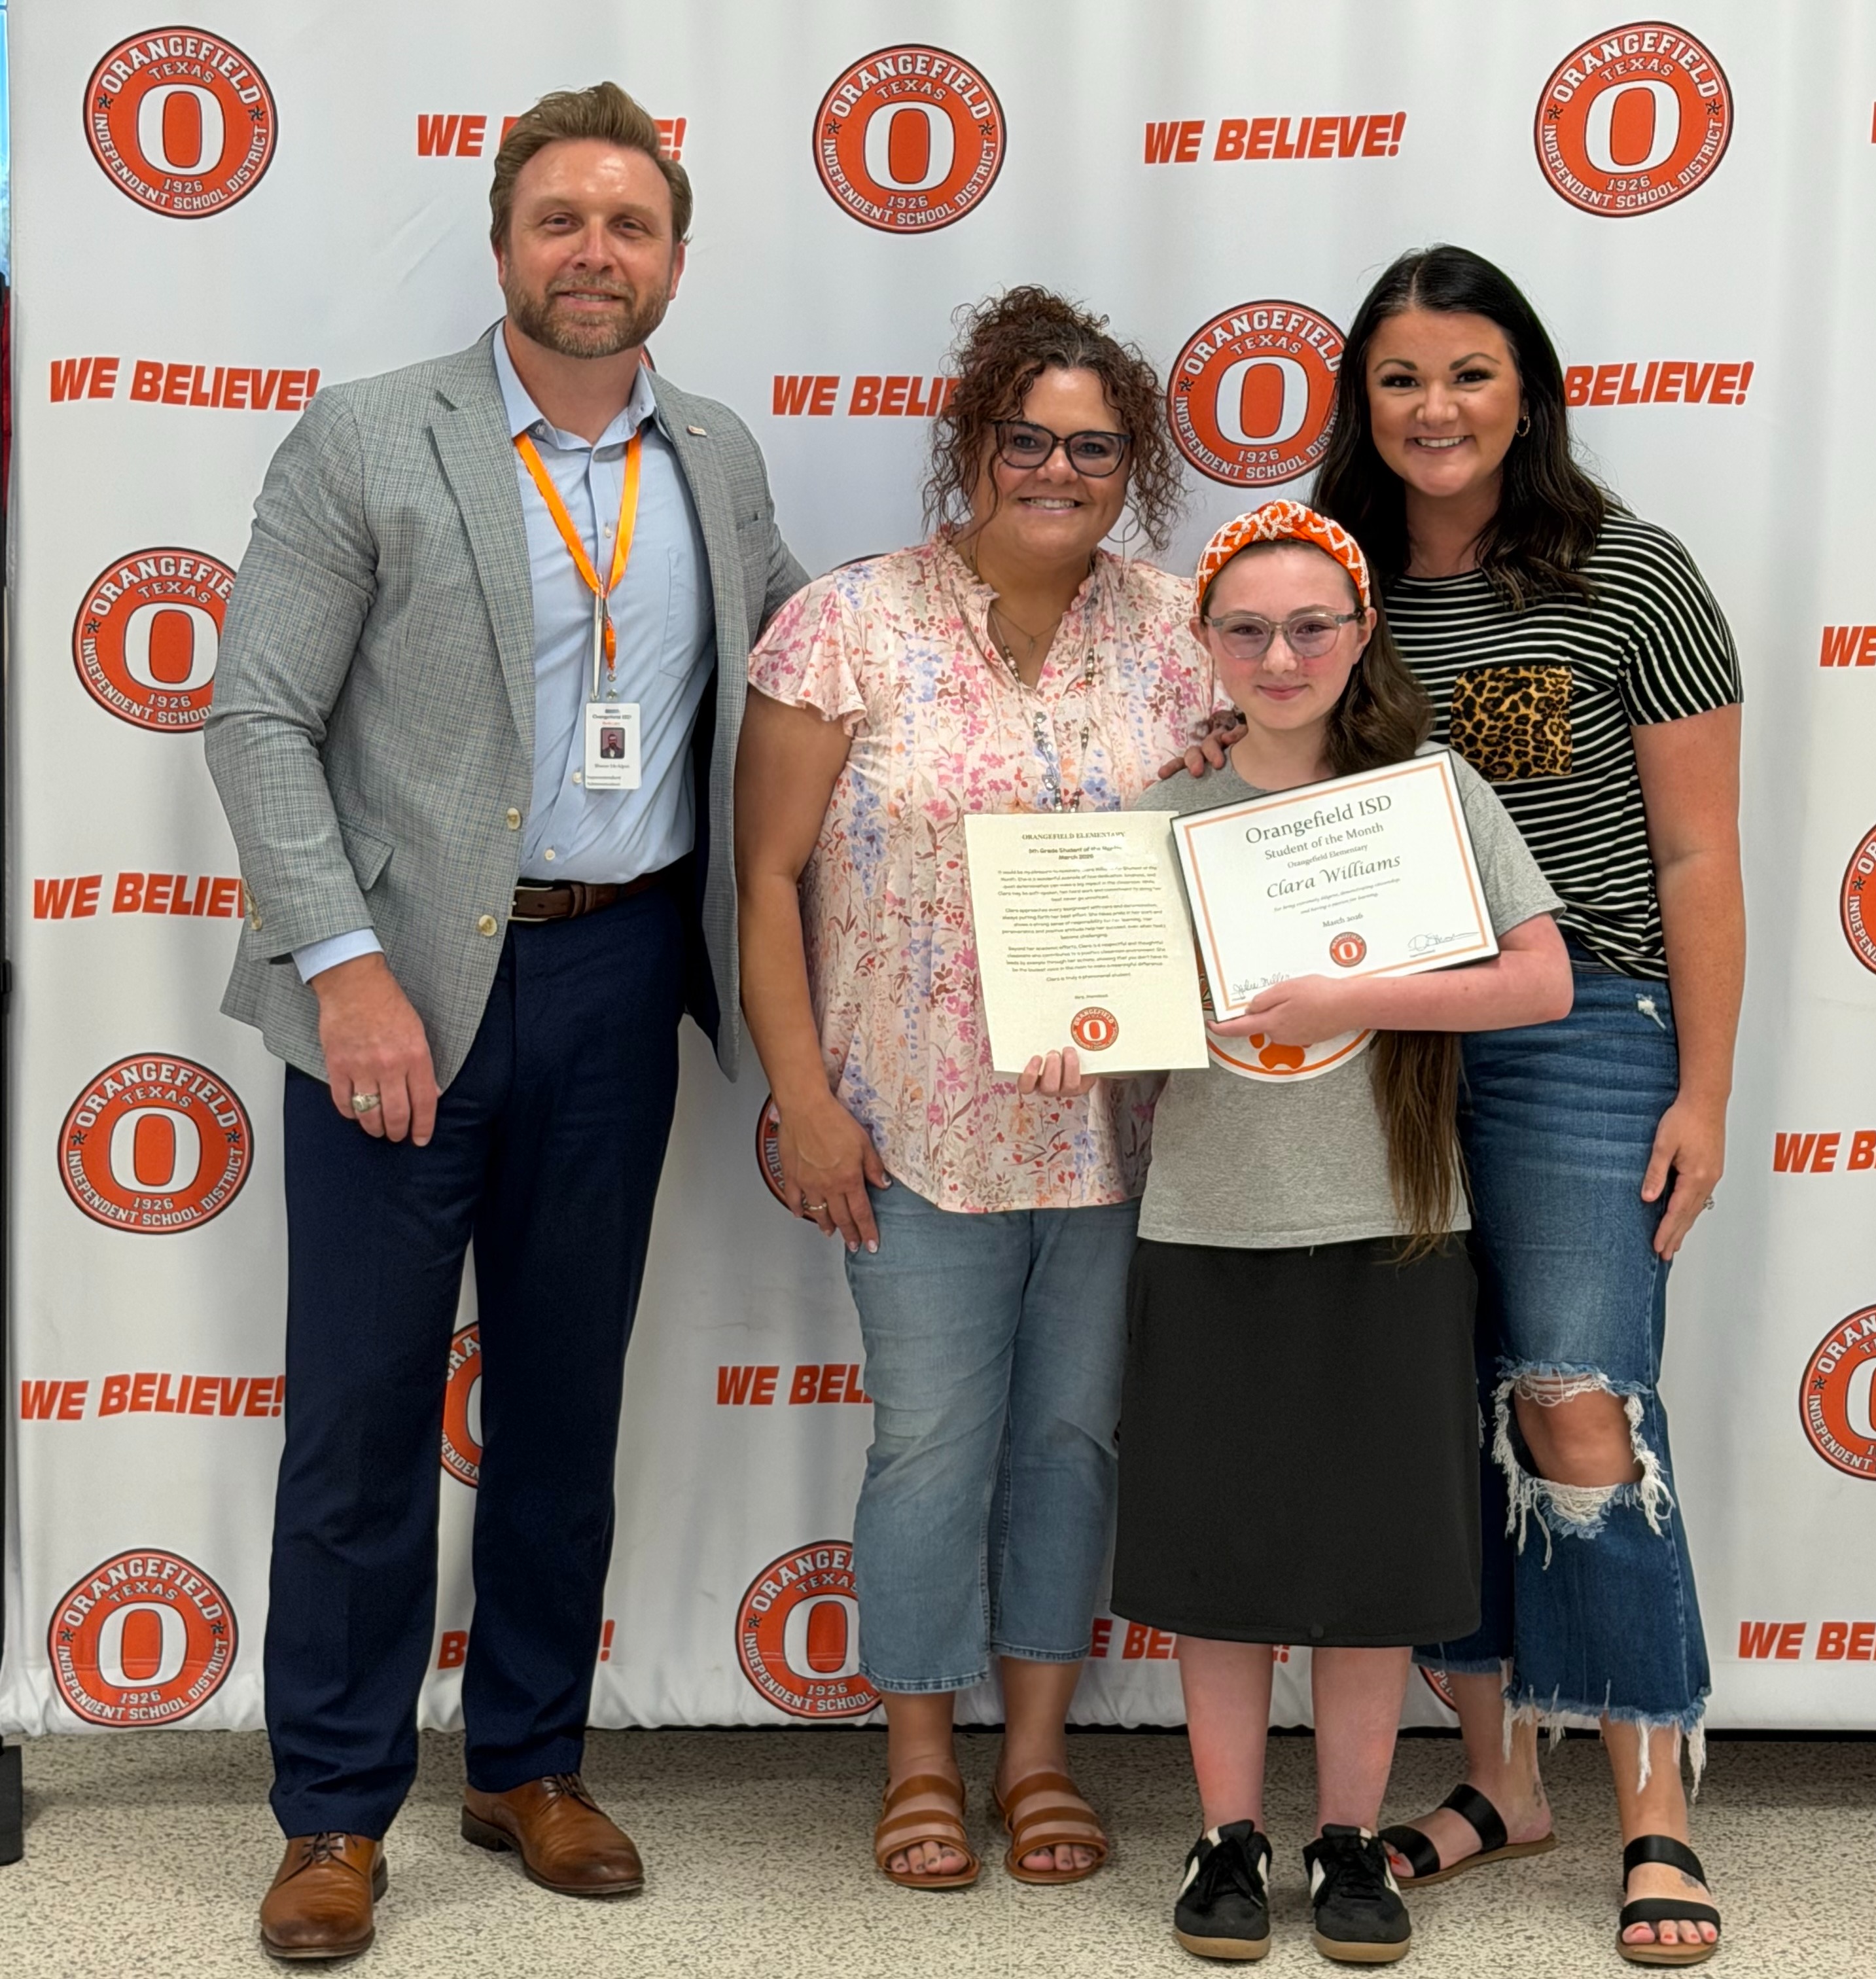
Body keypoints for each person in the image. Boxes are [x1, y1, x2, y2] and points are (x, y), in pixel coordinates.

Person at [205, 83, 805, 1960]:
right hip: (400, 994)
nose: (594, 255)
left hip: (622, 975)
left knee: (561, 1401)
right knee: (365, 1418)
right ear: (501, 246)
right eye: (561, 222)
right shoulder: (373, 436)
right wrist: (346, 967)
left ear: (679, 260)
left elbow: (801, 689)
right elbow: (255, 719)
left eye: (631, 226)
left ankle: (528, 1762)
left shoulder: (715, 454)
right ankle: (331, 1810)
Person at [735, 288, 1212, 1890]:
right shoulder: (844, 625)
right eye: (1030, 439)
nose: (1058, 471)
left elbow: (1244, 838)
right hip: (910, 1127)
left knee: (1074, 1441)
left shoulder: (1180, 626)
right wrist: (803, 1097)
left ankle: (1039, 1753)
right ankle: (920, 1752)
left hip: (1123, 1131)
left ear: (1127, 465)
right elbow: (767, 883)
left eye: (1093, 447)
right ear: (973, 443)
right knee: (931, 1443)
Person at [1311, 245, 1741, 1966]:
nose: (1436, 410)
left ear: (1528, 390)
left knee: (1578, 1399)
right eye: (1403, 377)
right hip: (1385, 1048)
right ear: (1364, 398)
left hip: (1589, 1031)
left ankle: (1658, 1808)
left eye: (1471, 375)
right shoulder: (1329, 581)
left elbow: (1699, 849)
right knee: (1427, 1427)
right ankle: (1501, 1782)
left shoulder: (1632, 574)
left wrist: (1706, 1087)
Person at [1120, 501, 1569, 1965]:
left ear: (1363, 632)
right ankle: (1229, 1839)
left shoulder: (1426, 797)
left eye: (1313, 622)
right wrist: (1074, 1032)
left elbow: (1539, 981)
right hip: (1210, 1223)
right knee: (1224, 1560)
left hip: (1393, 1223)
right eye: (1245, 627)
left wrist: (1348, 999)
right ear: (1205, 645)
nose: (1281, 651)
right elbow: (1120, 1020)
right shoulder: (1161, 813)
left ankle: (1348, 1841)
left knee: (1372, 1567)